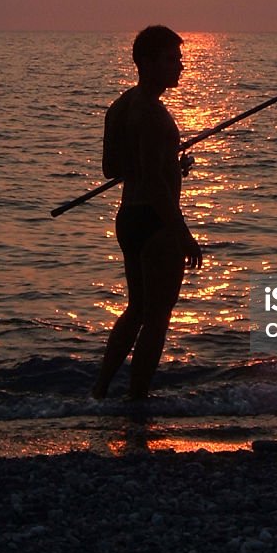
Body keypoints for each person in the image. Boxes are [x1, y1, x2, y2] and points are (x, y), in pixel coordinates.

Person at [92, 25, 202, 401]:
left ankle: (101, 391)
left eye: (179, 59)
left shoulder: (121, 106)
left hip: (129, 219)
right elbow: (156, 184)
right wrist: (183, 234)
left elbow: (113, 168)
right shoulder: (153, 115)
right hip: (157, 224)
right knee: (157, 318)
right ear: (145, 62)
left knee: (136, 309)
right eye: (171, 59)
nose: (180, 66)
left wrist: (169, 165)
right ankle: (137, 399)